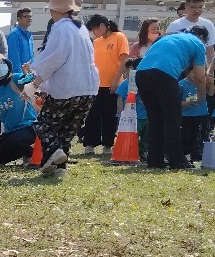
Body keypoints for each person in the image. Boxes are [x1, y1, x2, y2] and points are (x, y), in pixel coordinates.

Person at [29, 0, 98, 177]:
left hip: (67, 88)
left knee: (44, 124)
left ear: (55, 9)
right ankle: (58, 168)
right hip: (88, 90)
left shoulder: (60, 28)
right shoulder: (81, 29)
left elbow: (53, 59)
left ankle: (54, 152)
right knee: (66, 131)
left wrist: (35, 83)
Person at [135, 26, 207, 169]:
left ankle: (155, 160)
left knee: (155, 119)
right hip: (164, 74)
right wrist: (201, 95)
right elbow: (200, 76)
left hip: (141, 73)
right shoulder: (198, 43)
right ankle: (177, 161)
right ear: (202, 37)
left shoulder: (169, 38)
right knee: (172, 119)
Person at [81, 14, 129, 154]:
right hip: (96, 84)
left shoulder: (119, 37)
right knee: (93, 115)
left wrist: (115, 80)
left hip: (112, 84)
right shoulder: (97, 42)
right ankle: (90, 143)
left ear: (102, 26)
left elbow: (124, 60)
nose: (94, 33)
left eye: (94, 29)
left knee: (109, 115)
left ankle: (108, 144)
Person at [0, 59, 39, 164]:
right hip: (9, 131)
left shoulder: (15, 79)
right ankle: (26, 151)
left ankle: (32, 153)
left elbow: (30, 83)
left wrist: (26, 71)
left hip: (28, 126)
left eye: (0, 65)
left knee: (14, 141)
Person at [179, 70, 210, 164]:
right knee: (187, 137)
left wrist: (212, 84)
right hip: (187, 116)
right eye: (193, 72)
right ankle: (186, 155)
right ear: (186, 72)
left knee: (200, 136)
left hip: (202, 114)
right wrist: (188, 102)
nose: (196, 75)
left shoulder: (202, 82)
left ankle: (197, 156)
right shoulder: (181, 84)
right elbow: (176, 102)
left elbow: (210, 93)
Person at [7, 7, 35, 73]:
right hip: (20, 76)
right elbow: (14, 59)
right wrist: (20, 76)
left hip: (29, 74)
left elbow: (32, 58)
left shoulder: (29, 36)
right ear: (18, 19)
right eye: (25, 16)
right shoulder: (14, 35)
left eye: (30, 16)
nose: (29, 18)